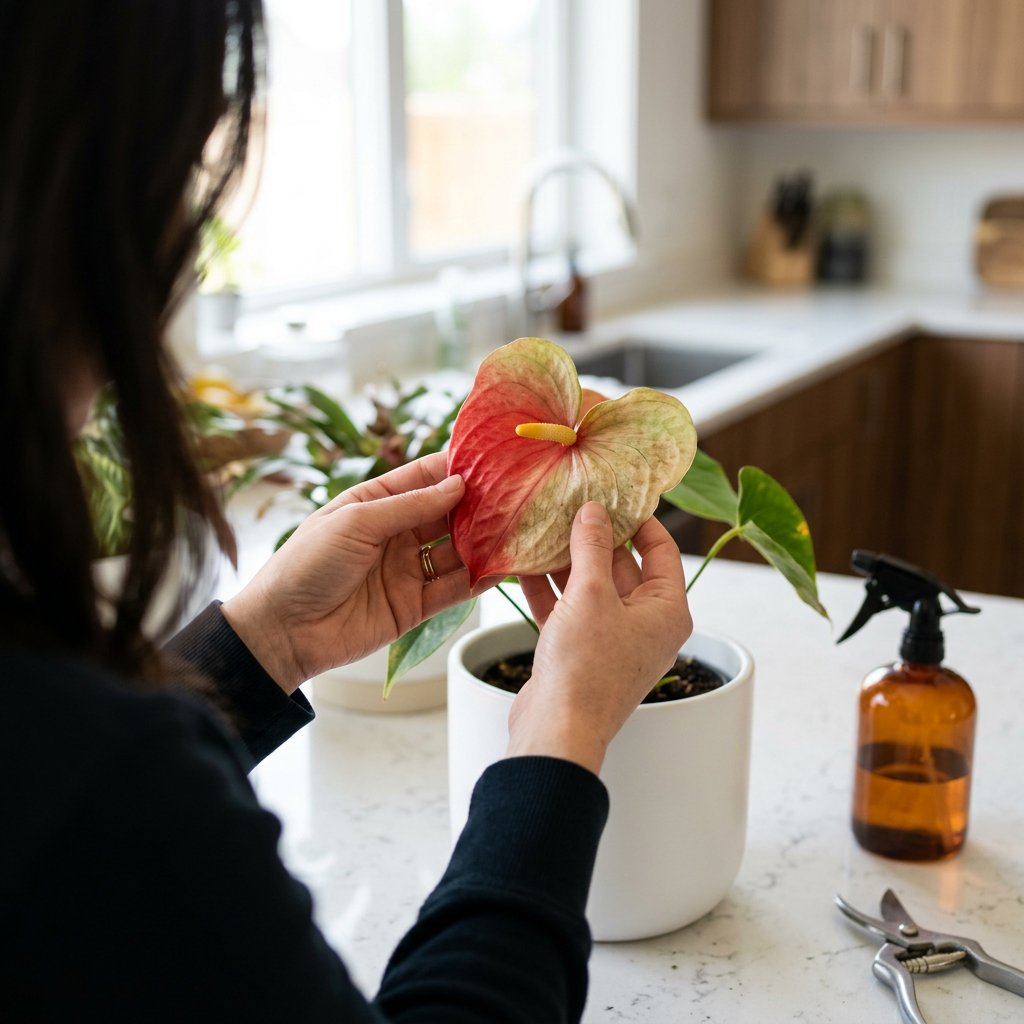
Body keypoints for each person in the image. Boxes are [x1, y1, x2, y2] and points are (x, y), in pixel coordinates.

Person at [0, 2, 692, 1021]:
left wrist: (260, 643)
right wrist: (560, 736)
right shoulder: (105, 774)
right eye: (174, 186)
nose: (178, 260)